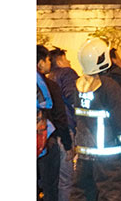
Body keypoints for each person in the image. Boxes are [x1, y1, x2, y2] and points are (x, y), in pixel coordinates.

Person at [71, 36, 121, 201]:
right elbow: (120, 119)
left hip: (84, 155)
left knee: (81, 194)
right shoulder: (109, 86)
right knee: (112, 194)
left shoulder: (78, 85)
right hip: (107, 156)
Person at [38, 45, 73, 201]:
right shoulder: (51, 84)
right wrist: (67, 143)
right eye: (47, 60)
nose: (49, 63)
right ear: (40, 62)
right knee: (56, 184)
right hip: (49, 142)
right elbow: (60, 116)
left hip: (41, 142)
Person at [49, 48, 79, 201]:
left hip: (51, 133)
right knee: (67, 180)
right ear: (60, 61)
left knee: (57, 179)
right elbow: (73, 97)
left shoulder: (47, 78)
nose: (69, 62)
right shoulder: (67, 73)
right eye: (66, 59)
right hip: (66, 128)